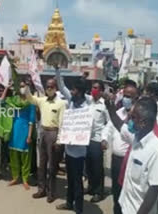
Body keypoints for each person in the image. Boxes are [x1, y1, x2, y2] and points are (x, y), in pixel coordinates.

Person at [106, 96, 158, 214]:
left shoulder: (156, 150)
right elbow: (119, 125)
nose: (128, 119)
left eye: (133, 117)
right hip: (125, 205)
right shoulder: (136, 138)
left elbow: (155, 188)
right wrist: (111, 109)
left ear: (143, 122)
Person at [101, 80, 139, 214]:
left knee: (127, 192)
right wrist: (104, 139)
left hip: (129, 161)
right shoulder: (118, 112)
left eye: (129, 96)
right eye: (125, 95)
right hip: (116, 160)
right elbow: (109, 128)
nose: (126, 99)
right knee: (116, 192)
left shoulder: (138, 116)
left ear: (136, 97)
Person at [26, 79, 67, 203]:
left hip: (53, 133)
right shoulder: (42, 100)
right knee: (42, 164)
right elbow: (30, 99)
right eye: (47, 86)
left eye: (51, 86)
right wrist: (27, 87)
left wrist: (59, 139)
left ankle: (51, 192)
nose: (49, 88)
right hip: (43, 132)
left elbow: (62, 123)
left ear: (55, 88)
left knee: (52, 166)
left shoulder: (61, 103)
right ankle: (41, 189)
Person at [55, 78, 89, 214]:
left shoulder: (87, 109)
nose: (72, 92)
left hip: (79, 153)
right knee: (70, 179)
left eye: (74, 90)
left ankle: (79, 209)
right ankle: (69, 203)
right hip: (68, 151)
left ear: (80, 92)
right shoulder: (71, 101)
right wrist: (57, 69)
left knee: (77, 182)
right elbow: (62, 87)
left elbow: (88, 129)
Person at [7, 81, 36, 190]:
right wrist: (7, 88)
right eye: (20, 86)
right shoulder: (14, 100)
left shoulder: (31, 102)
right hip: (14, 129)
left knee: (25, 157)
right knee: (13, 154)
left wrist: (29, 135)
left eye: (24, 86)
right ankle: (15, 177)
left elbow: (31, 121)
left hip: (25, 131)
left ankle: (25, 179)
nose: (22, 88)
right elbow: (2, 103)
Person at [0, 83, 13, 178]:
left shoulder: (11, 101)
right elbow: (1, 99)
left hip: (7, 130)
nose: (1, 92)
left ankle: (5, 169)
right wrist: (7, 87)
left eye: (3, 90)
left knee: (7, 152)